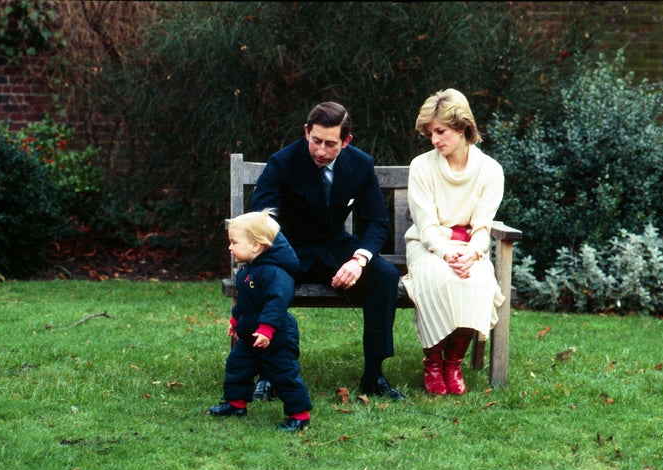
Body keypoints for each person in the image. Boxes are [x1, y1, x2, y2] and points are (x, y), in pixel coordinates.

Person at [250, 101, 405, 401]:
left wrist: (358, 260)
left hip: (334, 247)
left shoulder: (360, 164)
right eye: (315, 140)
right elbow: (262, 217)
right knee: (268, 281)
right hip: (287, 248)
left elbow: (377, 222)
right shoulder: (282, 162)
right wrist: (278, 259)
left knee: (384, 276)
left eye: (330, 144)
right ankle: (268, 374)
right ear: (306, 131)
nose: (320, 150)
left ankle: (374, 375)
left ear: (346, 141)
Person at [402, 89, 505, 395]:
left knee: (478, 282)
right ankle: (433, 362)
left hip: (470, 250)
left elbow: (483, 227)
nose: (434, 140)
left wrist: (472, 254)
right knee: (438, 279)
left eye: (441, 131)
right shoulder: (422, 166)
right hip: (427, 245)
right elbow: (427, 225)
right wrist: (447, 254)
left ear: (461, 128)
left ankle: (453, 363)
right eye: (430, 133)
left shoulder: (491, 171)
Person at [208, 209, 313, 432]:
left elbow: (277, 302)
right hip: (250, 336)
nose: (230, 247)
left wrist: (267, 329)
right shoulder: (248, 271)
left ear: (256, 246)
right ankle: (236, 404)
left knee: (284, 372)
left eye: (234, 242)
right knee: (237, 366)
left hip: (276, 336)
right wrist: (236, 320)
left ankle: (299, 415)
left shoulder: (275, 273)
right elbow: (246, 302)